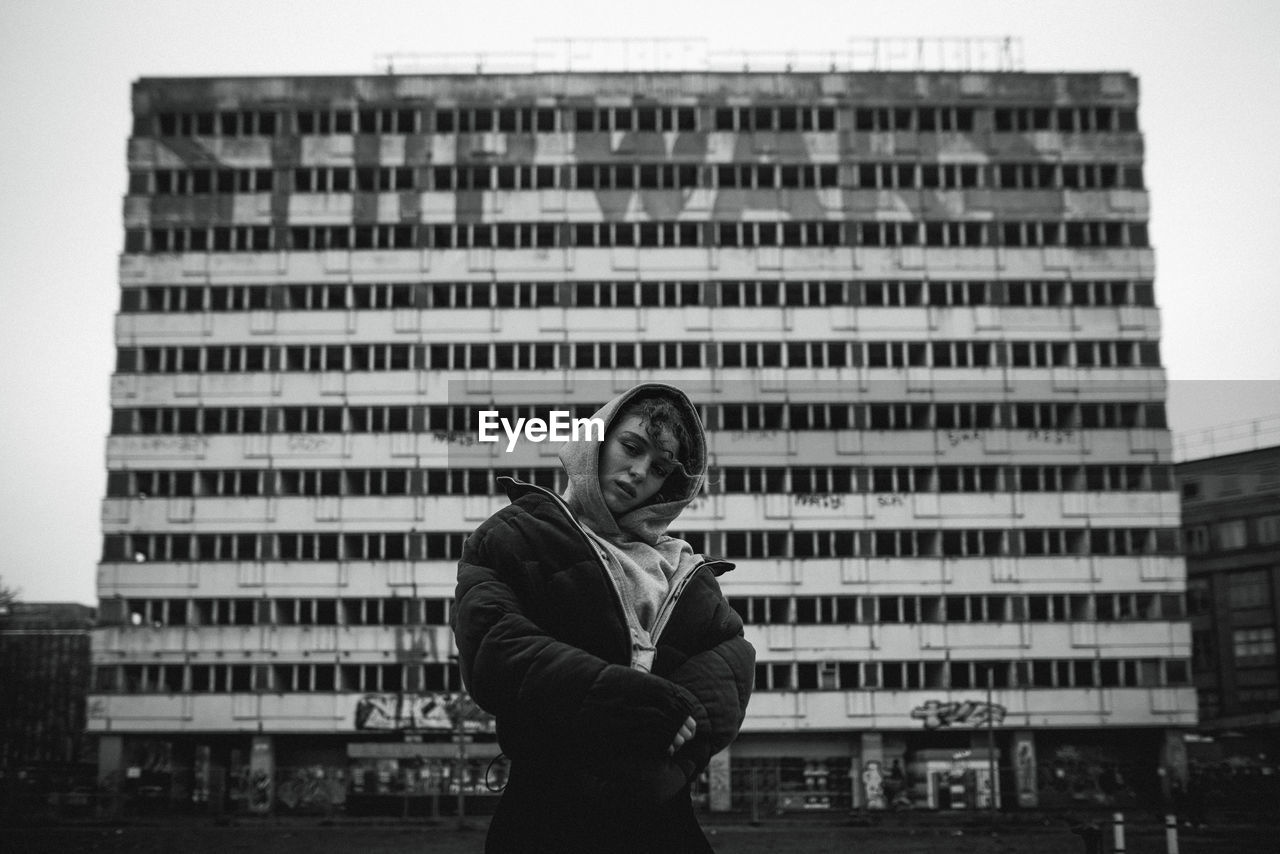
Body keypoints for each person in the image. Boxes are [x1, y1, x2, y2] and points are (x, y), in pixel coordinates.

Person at [453, 384, 756, 853]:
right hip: (545, 816)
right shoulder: (512, 537)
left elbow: (730, 663)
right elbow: (494, 649)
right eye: (631, 448)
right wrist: (630, 703)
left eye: (659, 468)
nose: (638, 473)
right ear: (596, 439)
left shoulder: (683, 569)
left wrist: (663, 753)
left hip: (662, 819)